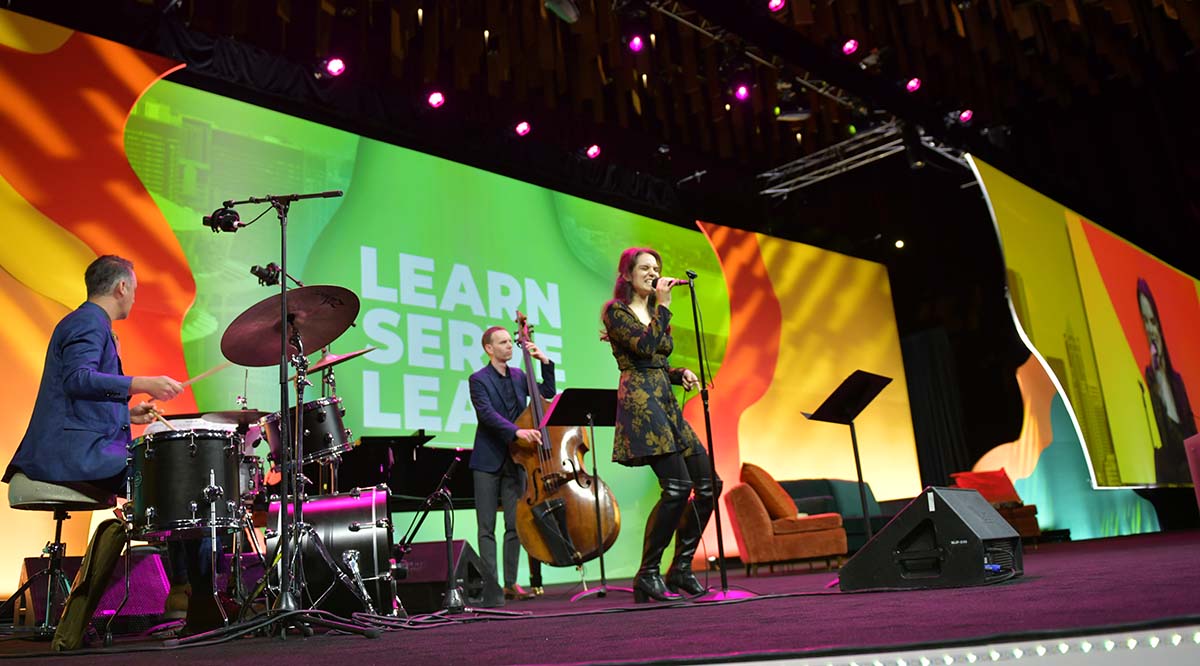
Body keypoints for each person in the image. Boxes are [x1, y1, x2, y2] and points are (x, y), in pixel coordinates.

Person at [3, 255, 185, 649]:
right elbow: (79, 380)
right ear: (121, 287)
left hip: (75, 448)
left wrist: (128, 412)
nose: (134, 298)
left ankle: (182, 595)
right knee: (171, 473)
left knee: (162, 469)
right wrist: (140, 381)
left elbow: (80, 395)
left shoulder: (87, 322)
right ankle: (187, 596)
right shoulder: (87, 323)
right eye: (134, 290)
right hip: (65, 455)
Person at [601, 247, 720, 603]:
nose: (653, 274)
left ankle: (680, 568)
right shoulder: (616, 312)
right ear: (628, 274)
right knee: (676, 487)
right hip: (641, 404)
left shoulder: (652, 311)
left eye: (657, 268)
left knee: (709, 484)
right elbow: (643, 346)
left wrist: (677, 372)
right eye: (646, 268)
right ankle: (648, 574)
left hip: (664, 402)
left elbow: (656, 357)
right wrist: (666, 306)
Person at [468, 325, 555, 605]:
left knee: (514, 525)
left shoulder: (519, 376)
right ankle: (491, 585)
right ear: (488, 348)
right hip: (487, 460)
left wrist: (545, 362)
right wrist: (517, 432)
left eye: (510, 341)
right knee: (486, 527)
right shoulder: (478, 379)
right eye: (503, 342)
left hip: (517, 459)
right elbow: (487, 414)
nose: (509, 346)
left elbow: (547, 393)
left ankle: (510, 583)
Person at [1137, 278, 1196, 484]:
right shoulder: (1145, 384)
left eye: (1153, 321)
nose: (1150, 329)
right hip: (1170, 484)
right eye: (1145, 321)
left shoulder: (1177, 382)